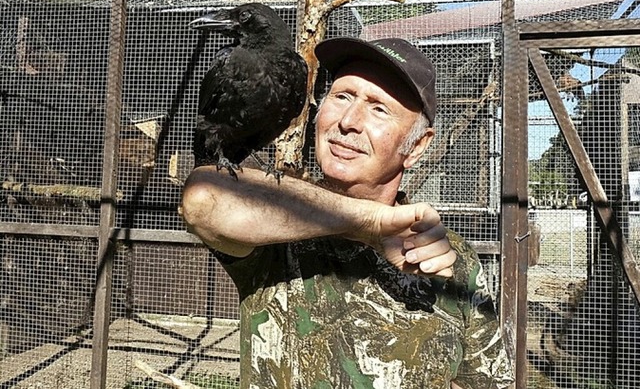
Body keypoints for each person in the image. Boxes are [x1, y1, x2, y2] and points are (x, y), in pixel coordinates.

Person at [181, 37, 514, 388]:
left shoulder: (454, 259)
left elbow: (486, 381)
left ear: (416, 146)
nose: (348, 121)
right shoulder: (278, 231)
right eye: (341, 97)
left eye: (378, 108)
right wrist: (370, 223)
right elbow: (204, 198)